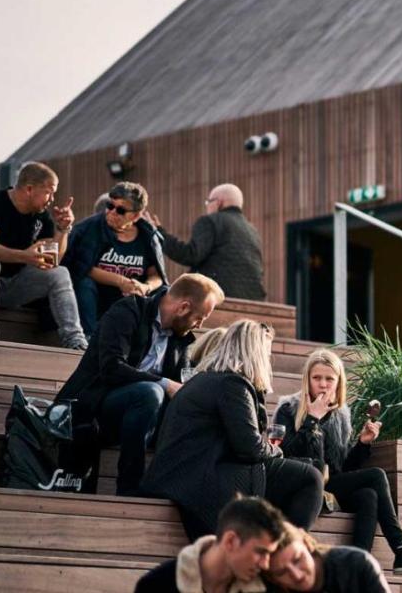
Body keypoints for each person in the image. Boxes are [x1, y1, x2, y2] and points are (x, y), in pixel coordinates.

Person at [141, 320, 324, 540]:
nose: (268, 359)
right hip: (201, 480)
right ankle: (287, 554)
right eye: (266, 352)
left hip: (186, 474)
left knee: (300, 470)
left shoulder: (205, 380)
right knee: (310, 477)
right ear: (253, 351)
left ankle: (268, 547)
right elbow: (250, 448)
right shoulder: (232, 385)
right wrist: (277, 451)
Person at [273, 349, 402, 575]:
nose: (323, 385)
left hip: (329, 482)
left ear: (338, 382)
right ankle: (401, 548)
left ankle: (355, 568)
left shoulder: (341, 415)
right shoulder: (289, 409)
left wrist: (363, 443)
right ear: (307, 380)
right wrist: (312, 420)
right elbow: (284, 454)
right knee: (376, 475)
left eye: (329, 379)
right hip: (302, 483)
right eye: (317, 378)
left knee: (368, 496)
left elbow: (343, 468)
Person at [54, 273, 223, 495]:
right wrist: (164, 384)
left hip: (140, 417)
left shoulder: (180, 338)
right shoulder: (127, 311)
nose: (199, 325)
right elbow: (112, 367)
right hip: (94, 405)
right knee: (150, 392)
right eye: (200, 317)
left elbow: (180, 385)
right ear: (183, 308)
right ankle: (129, 486)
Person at [0, 161, 86, 348]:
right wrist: (24, 256)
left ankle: (75, 340)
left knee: (60, 273)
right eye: (49, 192)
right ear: (29, 189)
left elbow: (52, 261)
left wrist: (62, 229)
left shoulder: (41, 216)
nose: (52, 199)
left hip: (14, 287)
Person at [63, 181, 166, 337]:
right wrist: (121, 281)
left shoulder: (147, 236)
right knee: (84, 284)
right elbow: (82, 267)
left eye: (121, 210)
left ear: (136, 215)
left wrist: (145, 287)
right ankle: (88, 337)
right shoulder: (89, 228)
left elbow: (156, 275)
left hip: (130, 299)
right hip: (96, 297)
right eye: (110, 206)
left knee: (166, 293)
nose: (111, 212)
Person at [135, 496, 289, 593]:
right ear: (231, 541)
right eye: (261, 552)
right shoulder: (157, 585)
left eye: (269, 554)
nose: (265, 564)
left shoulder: (267, 587)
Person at [152, 183, 267, 301]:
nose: (207, 207)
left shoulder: (210, 221)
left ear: (219, 202)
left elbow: (191, 255)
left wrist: (159, 234)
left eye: (208, 202)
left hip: (218, 296)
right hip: (253, 299)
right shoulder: (252, 230)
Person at [266, 523, 389, 593]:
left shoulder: (356, 563)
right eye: (282, 572)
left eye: (298, 559)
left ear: (307, 544)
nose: (297, 575)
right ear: (274, 579)